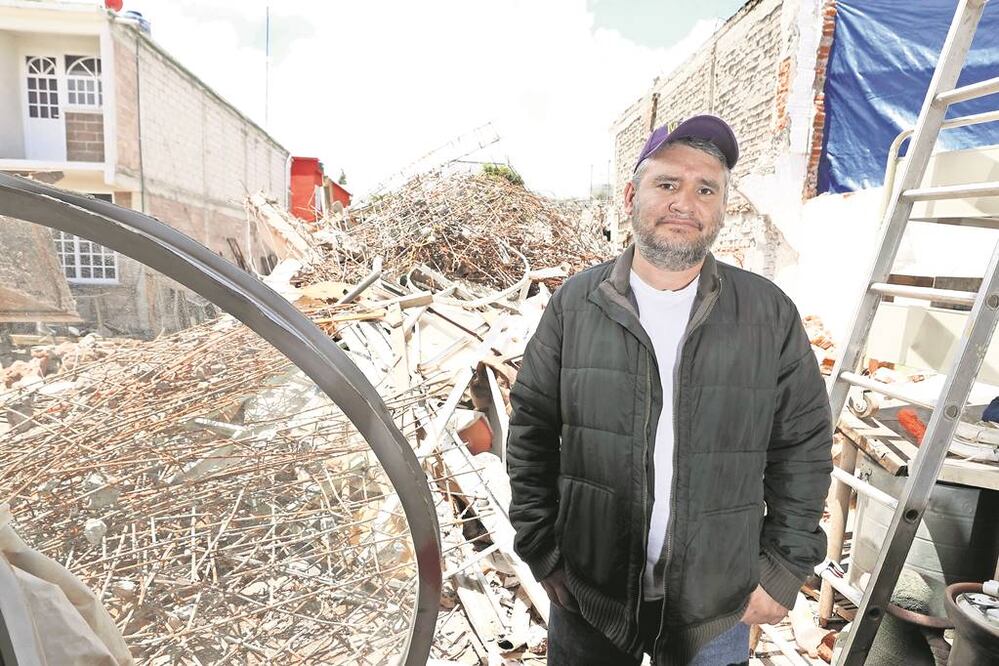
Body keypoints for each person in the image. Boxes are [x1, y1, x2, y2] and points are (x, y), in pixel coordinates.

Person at [507, 115, 833, 666]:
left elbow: (803, 447)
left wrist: (783, 570)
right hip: (591, 595)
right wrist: (541, 549)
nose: (686, 201)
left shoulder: (766, 312)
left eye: (706, 188)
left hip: (714, 607)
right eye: (667, 184)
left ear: (722, 208)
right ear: (633, 194)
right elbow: (531, 431)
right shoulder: (576, 305)